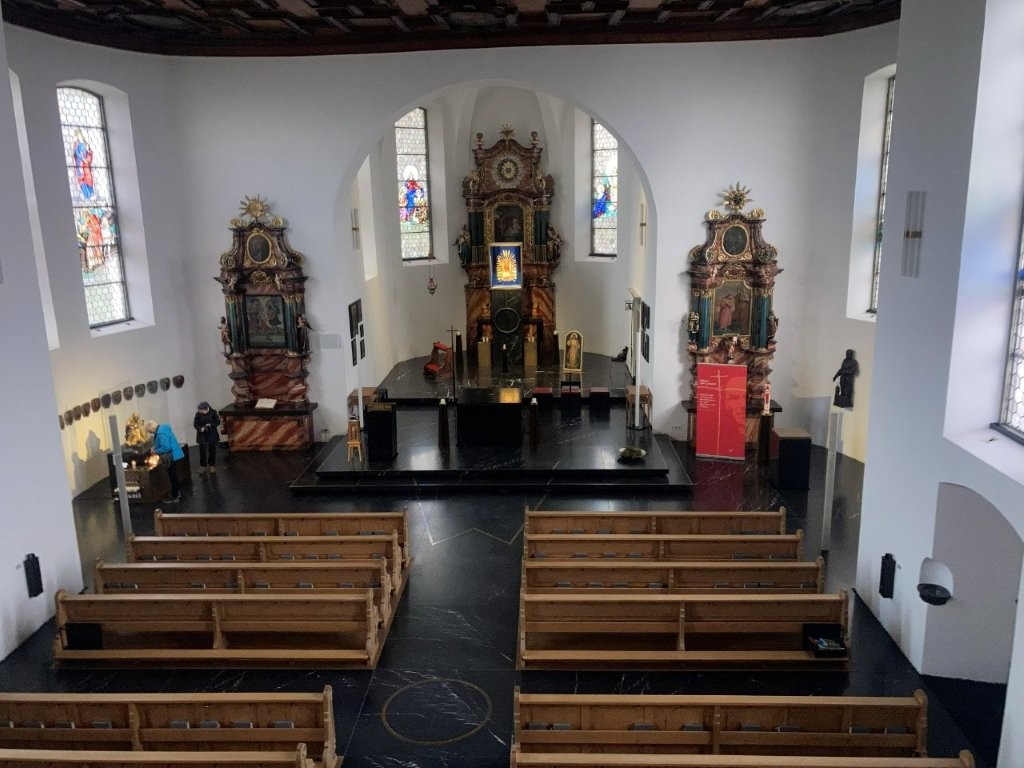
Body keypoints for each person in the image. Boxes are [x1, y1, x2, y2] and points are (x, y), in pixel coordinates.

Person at [146, 420, 185, 503]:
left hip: (171, 457)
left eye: (150, 431)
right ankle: (176, 492)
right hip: (175, 454)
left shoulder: (161, 433)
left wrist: (155, 451)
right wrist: (155, 447)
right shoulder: (163, 429)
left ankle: (175, 496)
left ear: (152, 427)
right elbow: (161, 443)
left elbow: (166, 447)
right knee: (173, 475)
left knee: (172, 476)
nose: (151, 433)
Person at [193, 402, 221, 475]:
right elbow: (195, 424)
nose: (200, 412)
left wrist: (211, 424)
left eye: (202, 410)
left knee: (212, 450)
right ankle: (203, 466)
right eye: (200, 410)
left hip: (211, 434)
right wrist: (200, 428)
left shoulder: (213, 413)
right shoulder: (198, 414)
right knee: (202, 451)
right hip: (202, 434)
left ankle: (212, 465)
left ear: (207, 408)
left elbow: (218, 422)